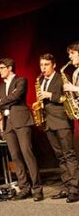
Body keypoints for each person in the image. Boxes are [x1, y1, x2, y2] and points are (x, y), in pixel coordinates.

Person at [0, 58, 43, 201]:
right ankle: (24, 188)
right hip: (8, 124)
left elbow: (17, 96)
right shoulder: (0, 87)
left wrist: (3, 101)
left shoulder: (21, 81)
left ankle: (37, 189)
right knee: (15, 156)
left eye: (1, 68)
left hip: (21, 121)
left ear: (9, 68)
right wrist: (3, 102)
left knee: (27, 153)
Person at [39, 53, 79, 203]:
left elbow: (66, 97)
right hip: (49, 123)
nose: (43, 68)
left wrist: (50, 95)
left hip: (62, 121)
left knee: (69, 155)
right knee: (60, 156)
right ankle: (67, 186)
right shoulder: (41, 80)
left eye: (46, 65)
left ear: (53, 65)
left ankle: (75, 189)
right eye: (41, 65)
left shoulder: (61, 77)